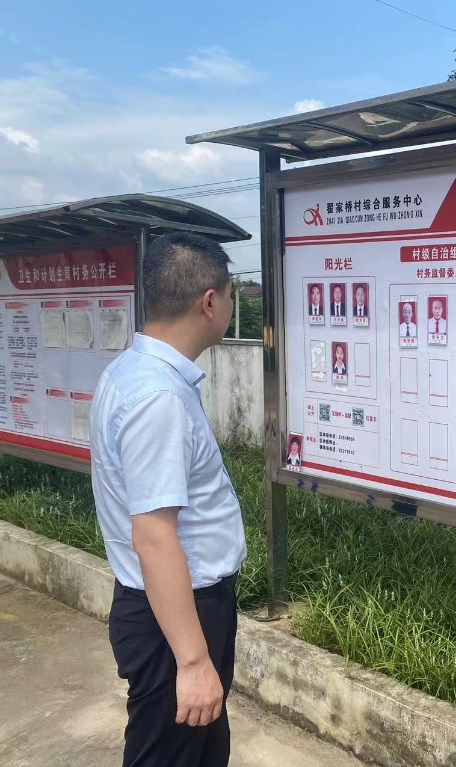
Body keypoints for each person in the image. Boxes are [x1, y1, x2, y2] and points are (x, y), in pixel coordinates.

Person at [89, 232, 246, 767]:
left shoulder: (132, 373)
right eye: (231, 294)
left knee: (199, 752)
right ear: (209, 301)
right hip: (176, 619)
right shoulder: (158, 397)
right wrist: (194, 660)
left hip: (172, 609)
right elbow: (154, 536)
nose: (231, 305)